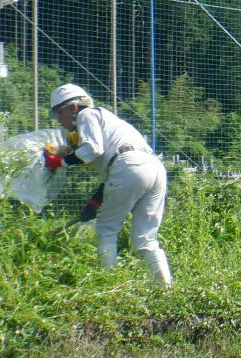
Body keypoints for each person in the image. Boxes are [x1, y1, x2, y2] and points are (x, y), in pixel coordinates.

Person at [43, 84, 173, 287]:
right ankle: (166, 287)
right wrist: (95, 201)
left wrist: (59, 161)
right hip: (154, 168)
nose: (59, 120)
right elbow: (113, 171)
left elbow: (93, 150)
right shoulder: (109, 121)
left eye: (60, 112)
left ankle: (109, 285)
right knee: (145, 239)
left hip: (129, 165)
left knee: (106, 229)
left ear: (74, 107)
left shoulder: (86, 115)